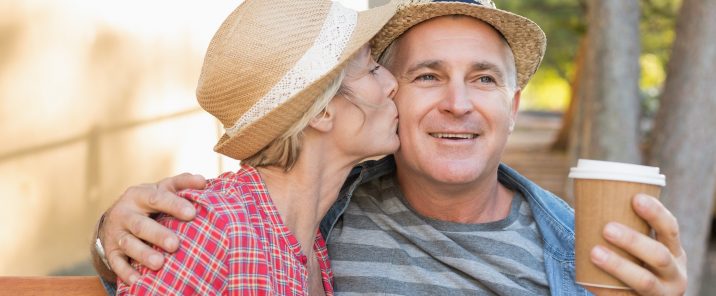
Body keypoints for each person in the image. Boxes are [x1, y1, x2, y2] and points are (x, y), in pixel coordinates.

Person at [92, 0, 688, 295]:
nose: (457, 102)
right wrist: (112, 239)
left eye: (483, 78)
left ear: (513, 105)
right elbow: (188, 256)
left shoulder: (580, 254)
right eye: (423, 75)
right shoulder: (312, 221)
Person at [105, 0, 400, 294]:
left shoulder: (313, 246)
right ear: (320, 112)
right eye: (372, 69)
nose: (392, 83)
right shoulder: (212, 228)